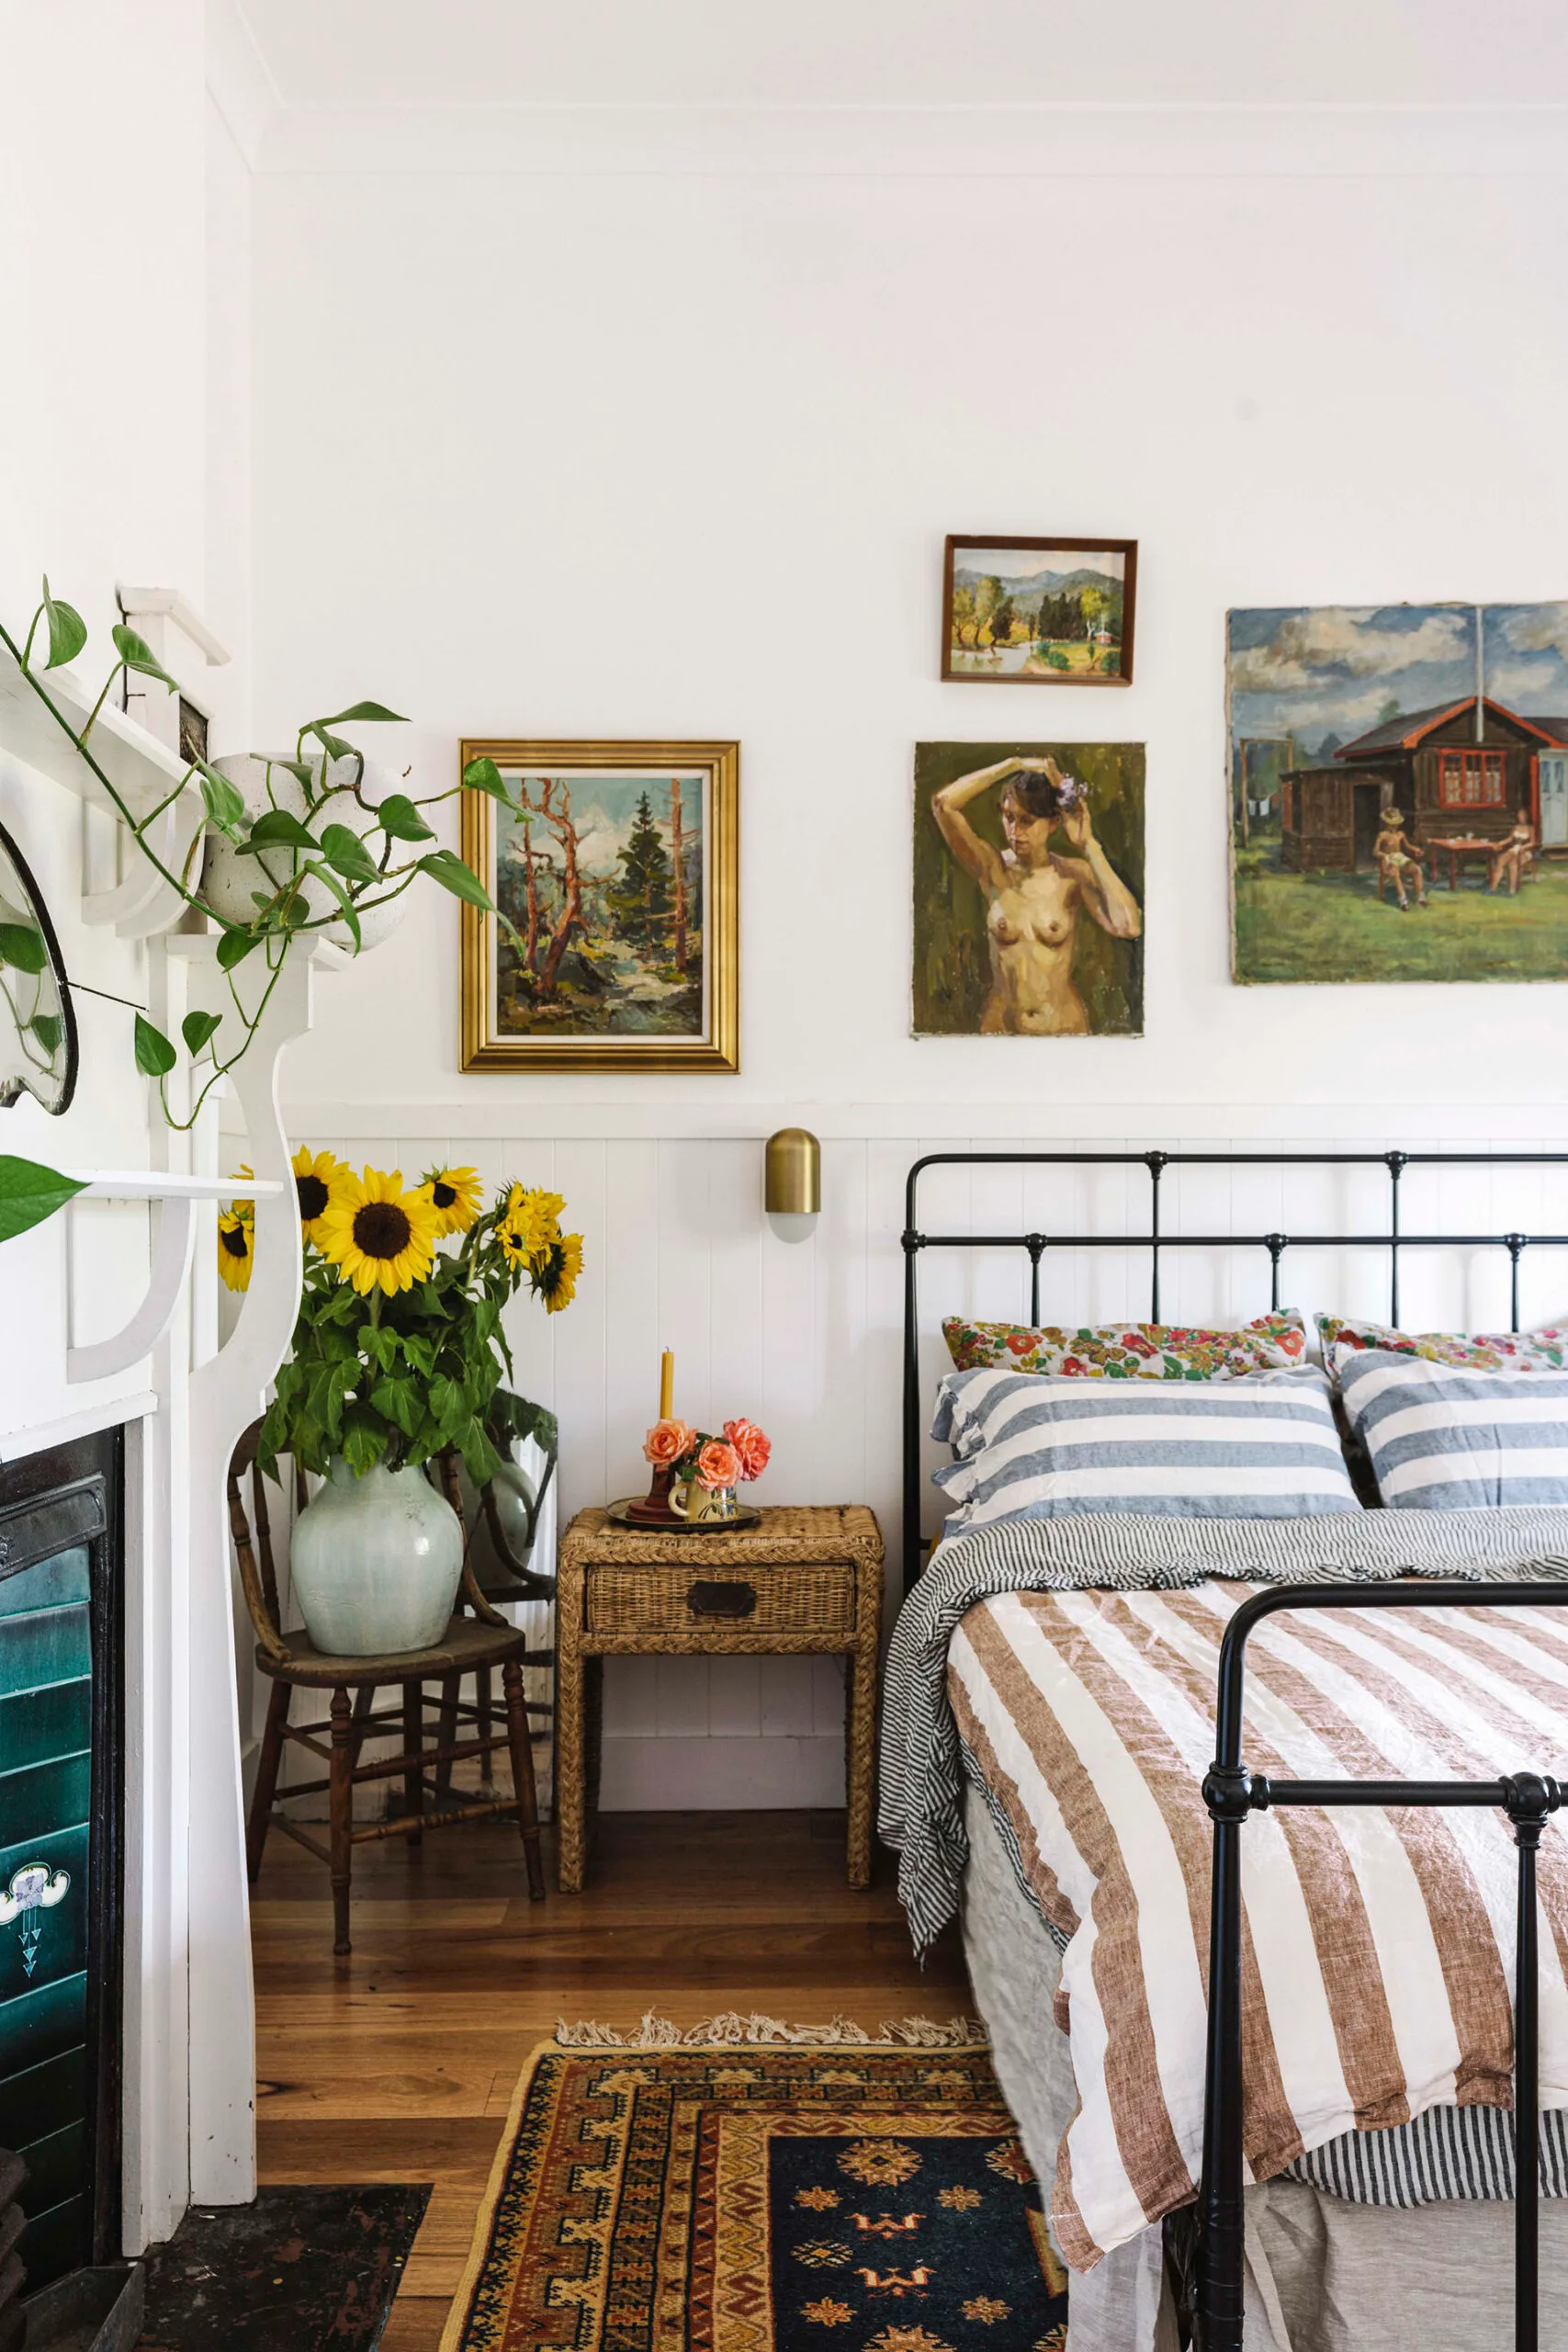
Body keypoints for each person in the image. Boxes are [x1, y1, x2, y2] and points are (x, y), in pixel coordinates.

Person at [931, 753, 1141, 1035]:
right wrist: (1014, 764)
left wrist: (1088, 844)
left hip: (1063, 1030)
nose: (1015, 832)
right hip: (1000, 1029)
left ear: (1053, 822)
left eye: (1026, 821)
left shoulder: (1072, 876)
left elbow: (1128, 925)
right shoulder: (993, 870)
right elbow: (944, 804)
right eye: (1009, 817)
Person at [1373, 807, 1427, 910]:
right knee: (1395, 872)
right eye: (1391, 824)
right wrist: (1384, 856)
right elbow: (1375, 851)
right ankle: (1403, 902)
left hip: (1400, 857)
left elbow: (1407, 846)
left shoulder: (1400, 834)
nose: (1394, 827)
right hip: (1389, 858)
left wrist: (1416, 849)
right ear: (1386, 823)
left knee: (1417, 870)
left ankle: (1421, 898)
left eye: (1396, 824)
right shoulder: (1383, 835)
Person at [1489, 808, 1537, 896]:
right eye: (1519, 815)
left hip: (1525, 852)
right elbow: (1510, 839)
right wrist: (1500, 843)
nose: (1521, 817)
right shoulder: (1515, 827)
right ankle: (1493, 888)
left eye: (1523, 815)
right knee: (1501, 860)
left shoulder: (1530, 828)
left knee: (1513, 863)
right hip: (1514, 849)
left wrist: (1524, 847)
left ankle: (1512, 890)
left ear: (1527, 817)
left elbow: (1533, 843)